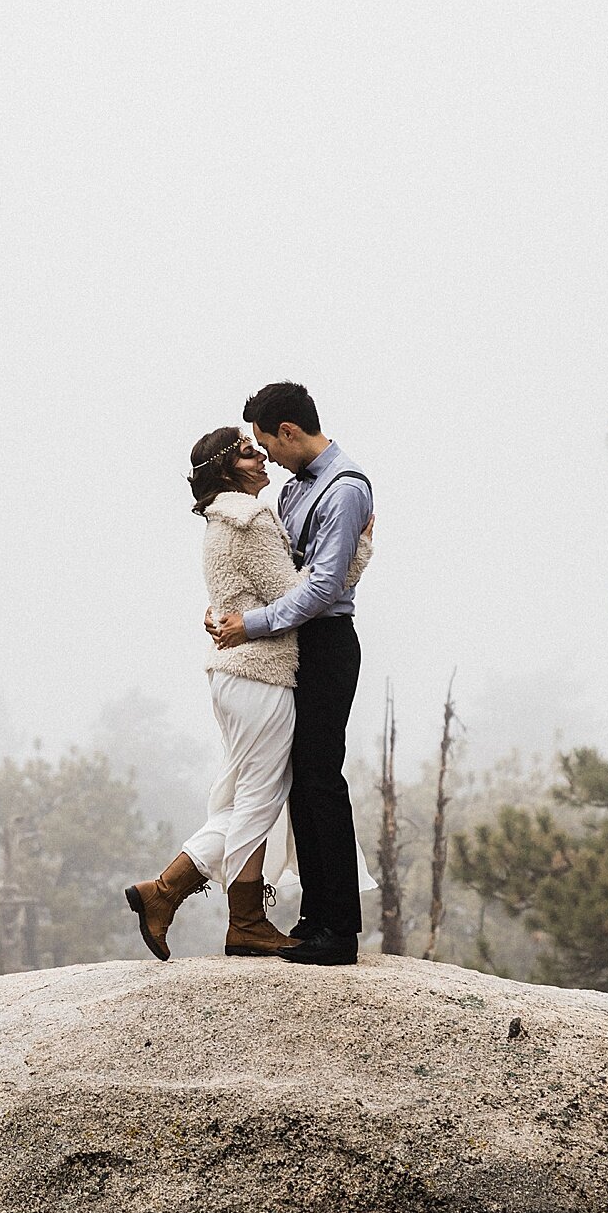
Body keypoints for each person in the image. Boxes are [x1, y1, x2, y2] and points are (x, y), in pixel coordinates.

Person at [124, 425, 371, 962]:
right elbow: (302, 595)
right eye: (247, 451)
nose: (261, 458)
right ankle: (246, 922)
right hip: (260, 673)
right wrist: (360, 548)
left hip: (237, 674)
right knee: (260, 796)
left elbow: (241, 592)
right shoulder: (252, 518)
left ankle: (164, 891)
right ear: (228, 469)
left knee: (246, 796)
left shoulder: (224, 520)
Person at [210, 381, 373, 966]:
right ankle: (314, 917)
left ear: (289, 432)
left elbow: (322, 587)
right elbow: (283, 568)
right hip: (296, 641)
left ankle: (340, 928)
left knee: (321, 777)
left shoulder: (345, 489)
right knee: (300, 779)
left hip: (327, 643)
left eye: (265, 444)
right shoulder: (296, 492)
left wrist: (249, 624)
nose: (269, 458)